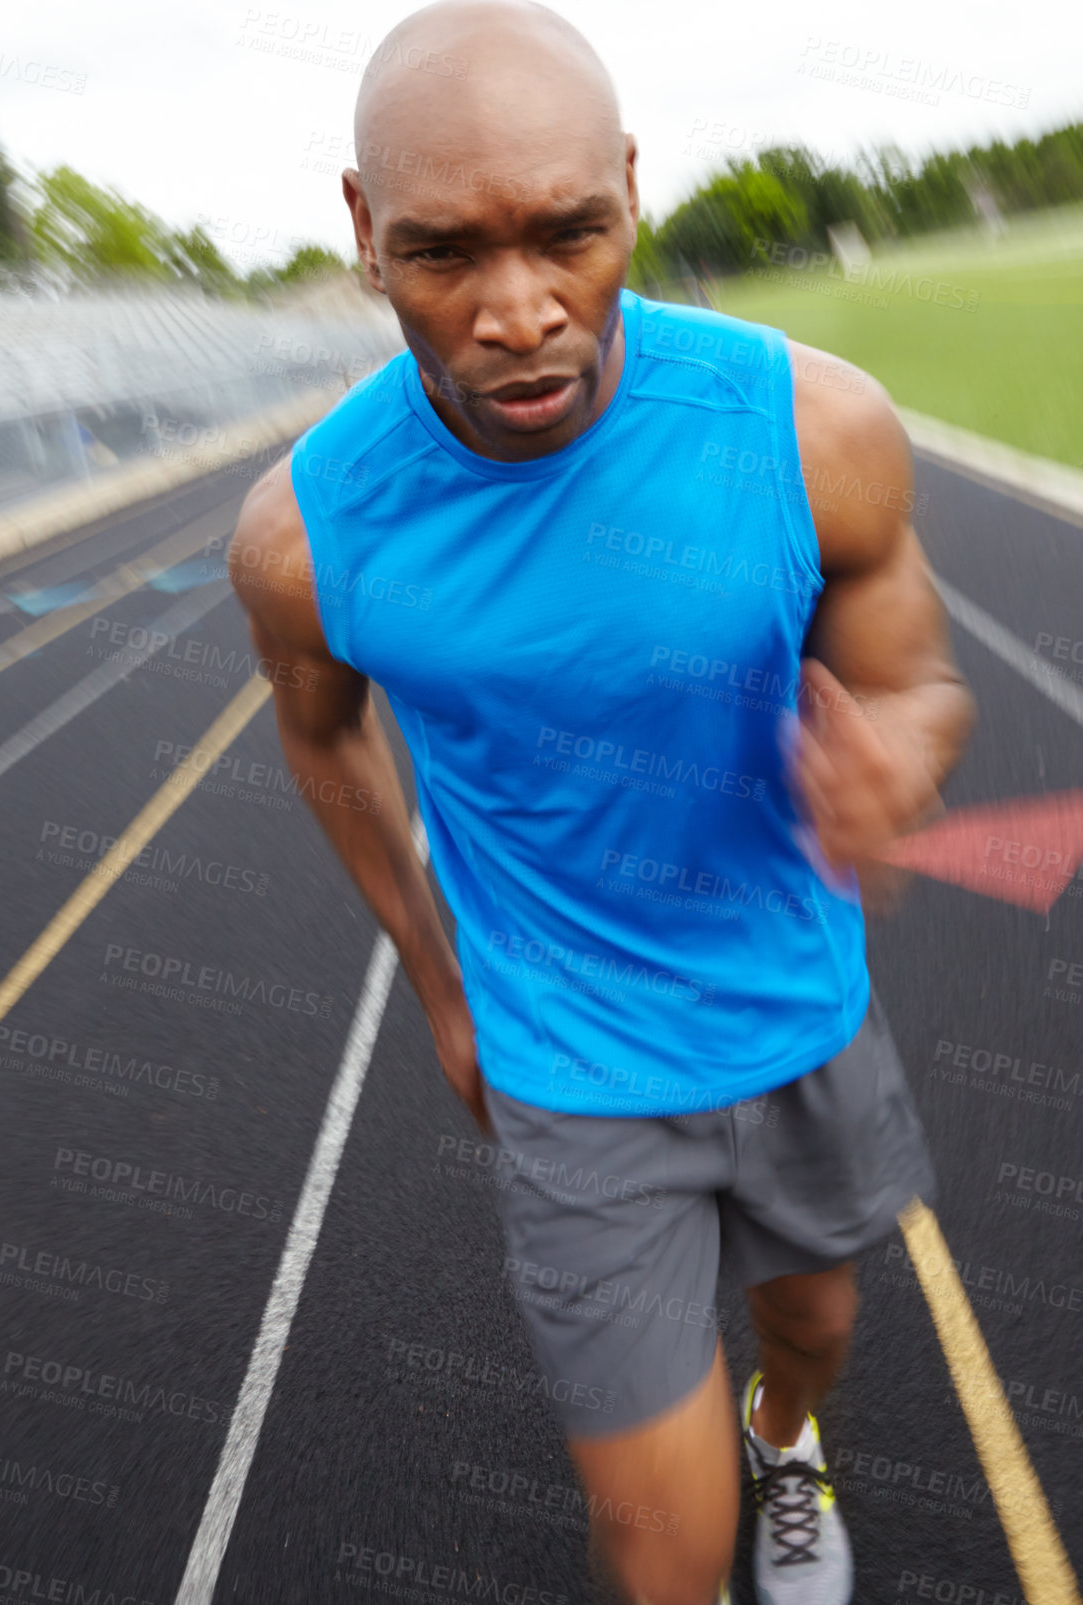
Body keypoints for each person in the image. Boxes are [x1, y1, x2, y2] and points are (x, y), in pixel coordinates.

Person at [227, 4, 977, 1601]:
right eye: (442, 256)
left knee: (815, 1327)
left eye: (570, 233)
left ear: (630, 188)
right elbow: (321, 738)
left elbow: (921, 682)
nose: (518, 314)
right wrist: (437, 977)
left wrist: (898, 753)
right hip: (564, 1066)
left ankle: (791, 1442)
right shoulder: (307, 536)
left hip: (798, 1009)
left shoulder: (811, 428)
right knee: (655, 1553)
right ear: (363, 234)